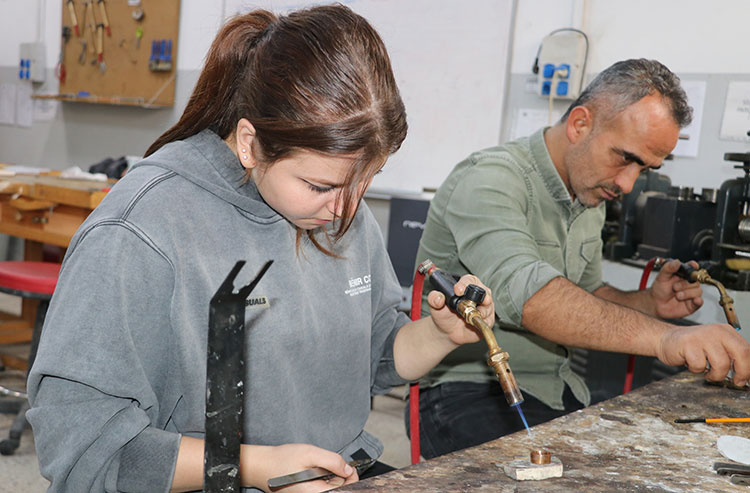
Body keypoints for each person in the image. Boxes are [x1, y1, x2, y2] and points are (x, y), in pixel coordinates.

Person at [26, 6, 497, 492]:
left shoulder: (337, 207)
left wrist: (440, 334)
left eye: (365, 182)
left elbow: (373, 355)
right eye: (319, 186)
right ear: (250, 143)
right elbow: (81, 443)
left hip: (333, 475)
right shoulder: (142, 231)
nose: (344, 211)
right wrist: (254, 466)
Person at [408, 58, 750, 459]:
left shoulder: (591, 191)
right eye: (624, 158)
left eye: (645, 168)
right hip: (463, 392)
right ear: (580, 124)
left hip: (557, 387)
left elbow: (586, 295)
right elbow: (534, 300)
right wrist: (666, 338)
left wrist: (649, 304)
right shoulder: (489, 179)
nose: (627, 184)